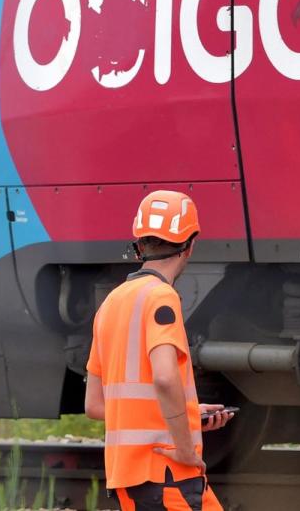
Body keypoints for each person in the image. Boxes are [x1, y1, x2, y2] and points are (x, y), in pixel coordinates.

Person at [84, 190, 234, 511]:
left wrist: (190, 414)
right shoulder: (161, 297)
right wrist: (183, 447)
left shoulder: (111, 303)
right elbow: (165, 379)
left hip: (127, 477)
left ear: (139, 245)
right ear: (190, 245)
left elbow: (95, 404)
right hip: (167, 473)